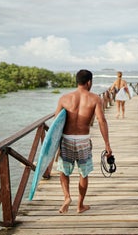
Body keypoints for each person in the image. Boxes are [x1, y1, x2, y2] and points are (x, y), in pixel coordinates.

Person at [54, 69, 112, 214]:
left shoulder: (64, 98)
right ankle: (80, 205)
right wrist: (107, 145)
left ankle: (67, 197)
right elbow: (101, 120)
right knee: (83, 173)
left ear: (77, 81)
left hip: (66, 139)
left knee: (63, 171)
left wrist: (55, 147)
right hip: (83, 141)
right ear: (89, 82)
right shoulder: (95, 99)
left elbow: (56, 124)